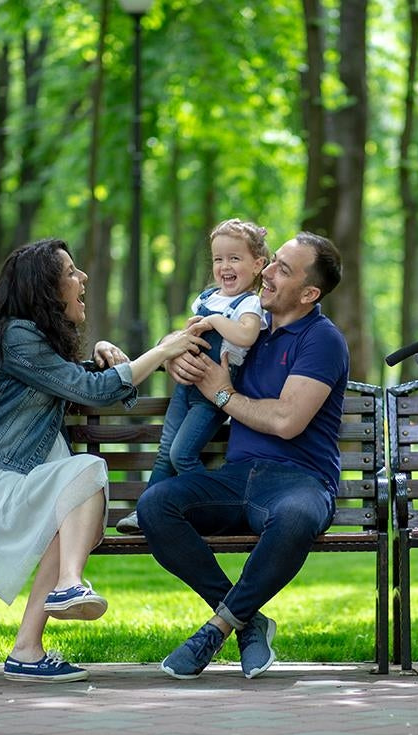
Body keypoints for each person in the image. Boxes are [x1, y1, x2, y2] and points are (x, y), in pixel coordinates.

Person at [0, 238, 207, 683]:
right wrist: (163, 350)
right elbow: (91, 392)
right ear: (45, 290)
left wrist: (99, 356)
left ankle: (27, 650)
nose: (82, 278)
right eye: (71, 273)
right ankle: (68, 585)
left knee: (75, 508)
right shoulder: (16, 335)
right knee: (88, 472)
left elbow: (65, 379)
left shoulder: (25, 340)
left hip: (8, 478)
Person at [137, 231, 348, 680]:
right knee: (155, 505)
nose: (267, 272)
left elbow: (287, 420)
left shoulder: (322, 340)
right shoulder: (249, 326)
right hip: (236, 478)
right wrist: (176, 357)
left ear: (309, 294)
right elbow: (192, 333)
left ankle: (217, 629)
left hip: (300, 481)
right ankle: (247, 621)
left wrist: (223, 394)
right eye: (272, 262)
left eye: (282, 269)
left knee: (295, 518)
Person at [116, 219, 270, 533]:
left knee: (182, 454)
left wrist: (213, 322)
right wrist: (179, 342)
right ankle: (145, 510)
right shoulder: (206, 298)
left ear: (257, 265)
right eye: (218, 259)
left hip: (212, 396)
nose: (225, 266)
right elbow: (185, 337)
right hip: (186, 388)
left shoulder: (250, 303)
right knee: (165, 453)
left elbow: (246, 335)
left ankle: (211, 509)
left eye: (234, 258)